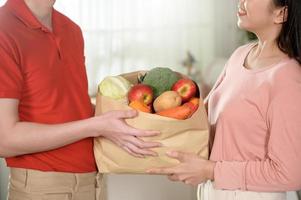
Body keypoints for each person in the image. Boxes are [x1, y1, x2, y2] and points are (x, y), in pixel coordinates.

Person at [0, 0, 161, 199]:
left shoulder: (71, 30)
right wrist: (96, 126)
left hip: (93, 183)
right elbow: (4, 139)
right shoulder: (4, 29)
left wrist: (127, 118)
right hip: (42, 188)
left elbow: (71, 107)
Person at [148, 0, 301, 199]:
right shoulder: (240, 55)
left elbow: (290, 174)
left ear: (281, 13)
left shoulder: (287, 78)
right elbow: (204, 117)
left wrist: (211, 171)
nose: (242, 1)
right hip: (213, 190)